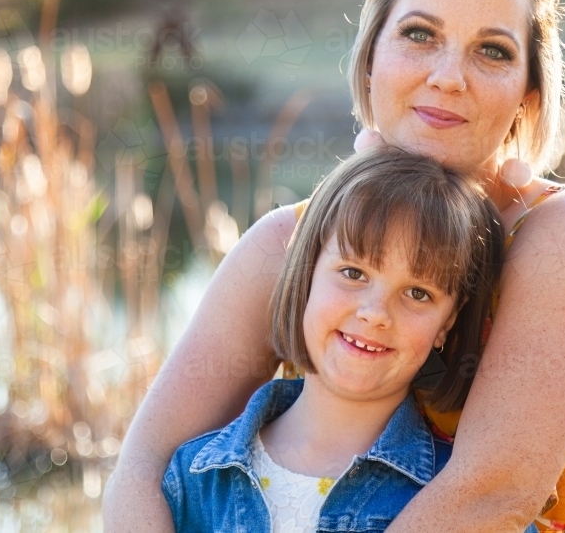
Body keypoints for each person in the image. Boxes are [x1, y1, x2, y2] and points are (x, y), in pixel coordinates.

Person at [103, 0, 565, 531]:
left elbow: (491, 494)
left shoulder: (562, 237)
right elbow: (143, 466)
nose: (448, 78)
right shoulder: (289, 242)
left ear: (529, 91)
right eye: (420, 35)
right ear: (370, 56)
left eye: (492, 51)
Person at [161, 146, 505, 533]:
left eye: (418, 294)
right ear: (306, 273)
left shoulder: (464, 507)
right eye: (353, 273)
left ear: (447, 324)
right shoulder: (193, 480)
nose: (375, 313)